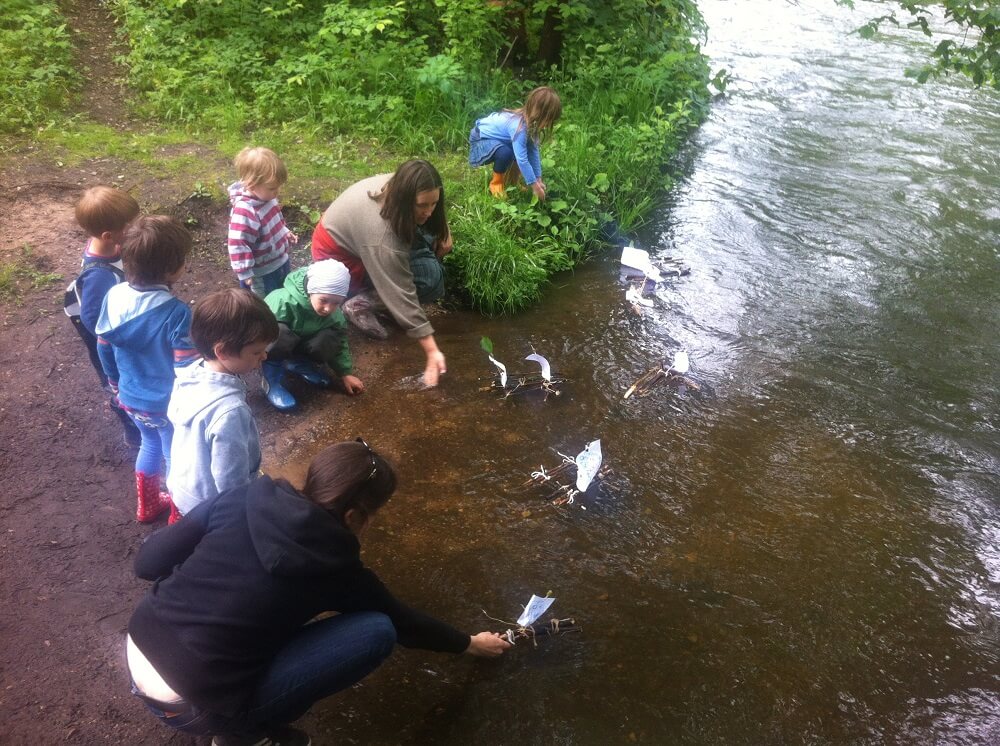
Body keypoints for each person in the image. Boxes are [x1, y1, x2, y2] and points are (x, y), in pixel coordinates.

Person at [126, 440, 511, 746]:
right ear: (354, 517)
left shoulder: (243, 496)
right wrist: (470, 644)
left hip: (139, 645)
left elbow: (147, 564)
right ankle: (242, 736)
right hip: (191, 706)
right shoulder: (337, 567)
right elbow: (406, 624)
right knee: (377, 631)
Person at [310, 159, 451, 387]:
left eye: (434, 203)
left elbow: (429, 211)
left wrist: (444, 230)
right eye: (422, 205)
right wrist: (432, 350)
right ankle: (357, 305)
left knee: (427, 251)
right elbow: (400, 292)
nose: (429, 211)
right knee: (430, 281)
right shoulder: (383, 237)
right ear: (405, 199)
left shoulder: (400, 184)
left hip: (359, 236)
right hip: (341, 259)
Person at [96, 216, 198, 522]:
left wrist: (114, 384)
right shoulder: (176, 313)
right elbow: (186, 367)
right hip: (166, 403)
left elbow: (103, 346)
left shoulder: (113, 296)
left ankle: (148, 505)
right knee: (175, 454)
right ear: (171, 269)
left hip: (129, 397)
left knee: (149, 444)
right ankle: (178, 514)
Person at [166, 288, 279, 521]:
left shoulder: (190, 375)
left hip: (184, 488)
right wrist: (243, 514)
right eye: (256, 352)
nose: (264, 357)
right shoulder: (230, 411)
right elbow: (230, 480)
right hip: (211, 507)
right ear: (223, 351)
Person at [64, 185, 142, 448]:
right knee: (119, 381)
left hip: (115, 311)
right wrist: (120, 337)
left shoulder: (109, 246)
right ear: (109, 235)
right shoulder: (99, 275)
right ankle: (131, 425)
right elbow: (91, 317)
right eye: (131, 226)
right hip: (109, 341)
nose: (136, 227)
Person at [261, 259, 364, 410]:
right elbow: (256, 327)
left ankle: (297, 364)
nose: (328, 308)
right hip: (276, 347)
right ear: (311, 290)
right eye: (323, 300)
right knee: (278, 333)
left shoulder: (334, 315)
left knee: (330, 337)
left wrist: (345, 373)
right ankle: (272, 381)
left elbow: (340, 341)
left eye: (336, 302)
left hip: (300, 346)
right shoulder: (281, 301)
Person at [468, 85, 562, 201]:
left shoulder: (531, 126)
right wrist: (534, 186)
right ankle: (496, 183)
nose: (548, 124)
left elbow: (533, 152)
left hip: (495, 141)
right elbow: (522, 160)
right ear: (540, 114)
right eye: (549, 120)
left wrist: (538, 180)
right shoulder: (519, 128)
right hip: (480, 140)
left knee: (519, 150)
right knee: (506, 153)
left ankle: (512, 181)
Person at [228, 146, 297, 298]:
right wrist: (244, 272)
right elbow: (237, 243)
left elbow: (274, 221)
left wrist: (285, 232)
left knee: (284, 292)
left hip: (279, 259)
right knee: (266, 300)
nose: (277, 192)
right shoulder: (245, 211)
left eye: (279, 186)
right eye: (272, 188)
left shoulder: (267, 198)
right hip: (262, 271)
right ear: (252, 185)